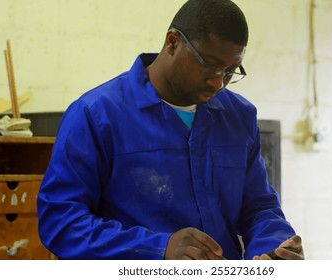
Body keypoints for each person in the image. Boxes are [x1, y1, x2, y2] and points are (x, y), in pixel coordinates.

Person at [37, 0, 304, 260]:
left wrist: (275, 248)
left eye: (230, 71)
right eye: (209, 65)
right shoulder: (96, 115)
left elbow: (259, 207)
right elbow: (61, 222)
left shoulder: (240, 117)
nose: (218, 82)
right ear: (173, 42)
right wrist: (157, 248)